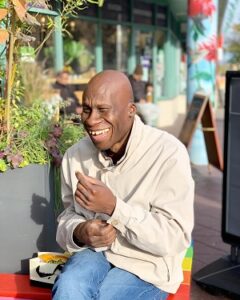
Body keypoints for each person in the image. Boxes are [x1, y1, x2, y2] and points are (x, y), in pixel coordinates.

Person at [52, 70, 194, 299]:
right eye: (87, 109)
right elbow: (66, 219)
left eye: (103, 110)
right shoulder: (75, 156)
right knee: (69, 287)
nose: (90, 120)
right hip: (94, 252)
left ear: (130, 111)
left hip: (147, 261)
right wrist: (80, 231)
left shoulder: (168, 153)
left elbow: (174, 237)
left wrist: (115, 208)